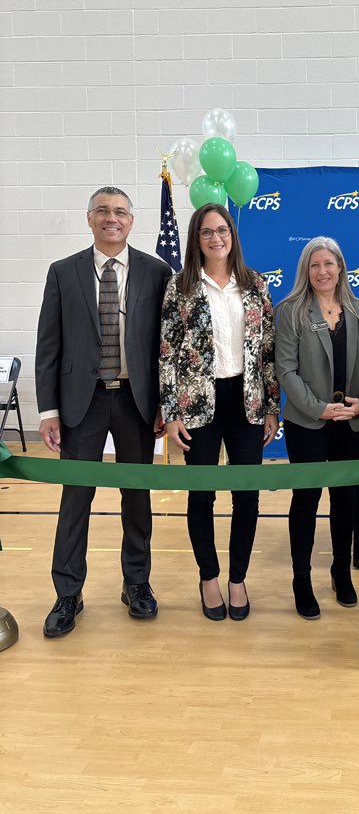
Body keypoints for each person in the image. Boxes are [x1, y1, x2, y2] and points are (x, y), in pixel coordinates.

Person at [36, 187, 171, 638]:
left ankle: (137, 584)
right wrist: (49, 410)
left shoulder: (157, 271)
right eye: (102, 211)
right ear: (89, 218)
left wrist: (164, 404)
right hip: (82, 401)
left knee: (137, 498)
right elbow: (48, 346)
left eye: (120, 212)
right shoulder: (63, 272)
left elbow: (164, 347)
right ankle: (68, 593)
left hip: (136, 401)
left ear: (131, 221)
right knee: (76, 499)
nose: (111, 218)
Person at [159, 204, 280, 622]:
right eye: (207, 232)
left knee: (247, 496)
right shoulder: (180, 287)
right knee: (202, 495)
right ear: (196, 239)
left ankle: (238, 579)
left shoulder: (256, 284)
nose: (216, 238)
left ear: (233, 235)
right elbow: (167, 353)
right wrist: (171, 412)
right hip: (197, 404)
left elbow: (268, 352)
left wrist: (271, 406)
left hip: (247, 402)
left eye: (222, 230)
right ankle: (209, 577)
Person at [275, 237, 359, 619]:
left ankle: (340, 571)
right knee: (306, 501)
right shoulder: (291, 311)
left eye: (329, 264)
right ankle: (301, 580)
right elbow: (285, 370)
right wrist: (319, 409)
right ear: (306, 271)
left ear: (341, 268)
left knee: (345, 498)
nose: (323, 271)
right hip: (308, 421)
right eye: (315, 265)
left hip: (351, 421)